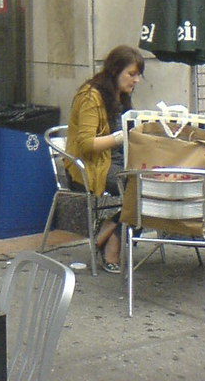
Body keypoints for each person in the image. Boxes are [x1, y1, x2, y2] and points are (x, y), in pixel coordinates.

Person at [66, 45, 145, 273]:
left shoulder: (121, 96)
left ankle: (109, 229)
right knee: (140, 189)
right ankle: (113, 244)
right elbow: (86, 144)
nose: (136, 80)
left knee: (154, 183)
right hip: (93, 164)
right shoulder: (91, 97)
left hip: (119, 160)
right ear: (114, 71)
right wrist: (121, 136)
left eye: (138, 74)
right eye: (131, 74)